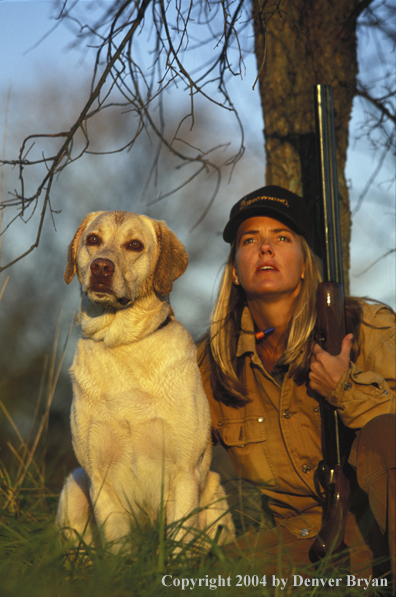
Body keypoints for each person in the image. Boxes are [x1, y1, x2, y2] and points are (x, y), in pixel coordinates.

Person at [198, 185, 395, 580]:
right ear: (235, 269)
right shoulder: (211, 364)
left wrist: (346, 388)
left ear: (305, 263)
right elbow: (171, 454)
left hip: (379, 529)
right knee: (200, 579)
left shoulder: (368, 329)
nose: (265, 249)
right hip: (301, 542)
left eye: (282, 237)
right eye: (250, 240)